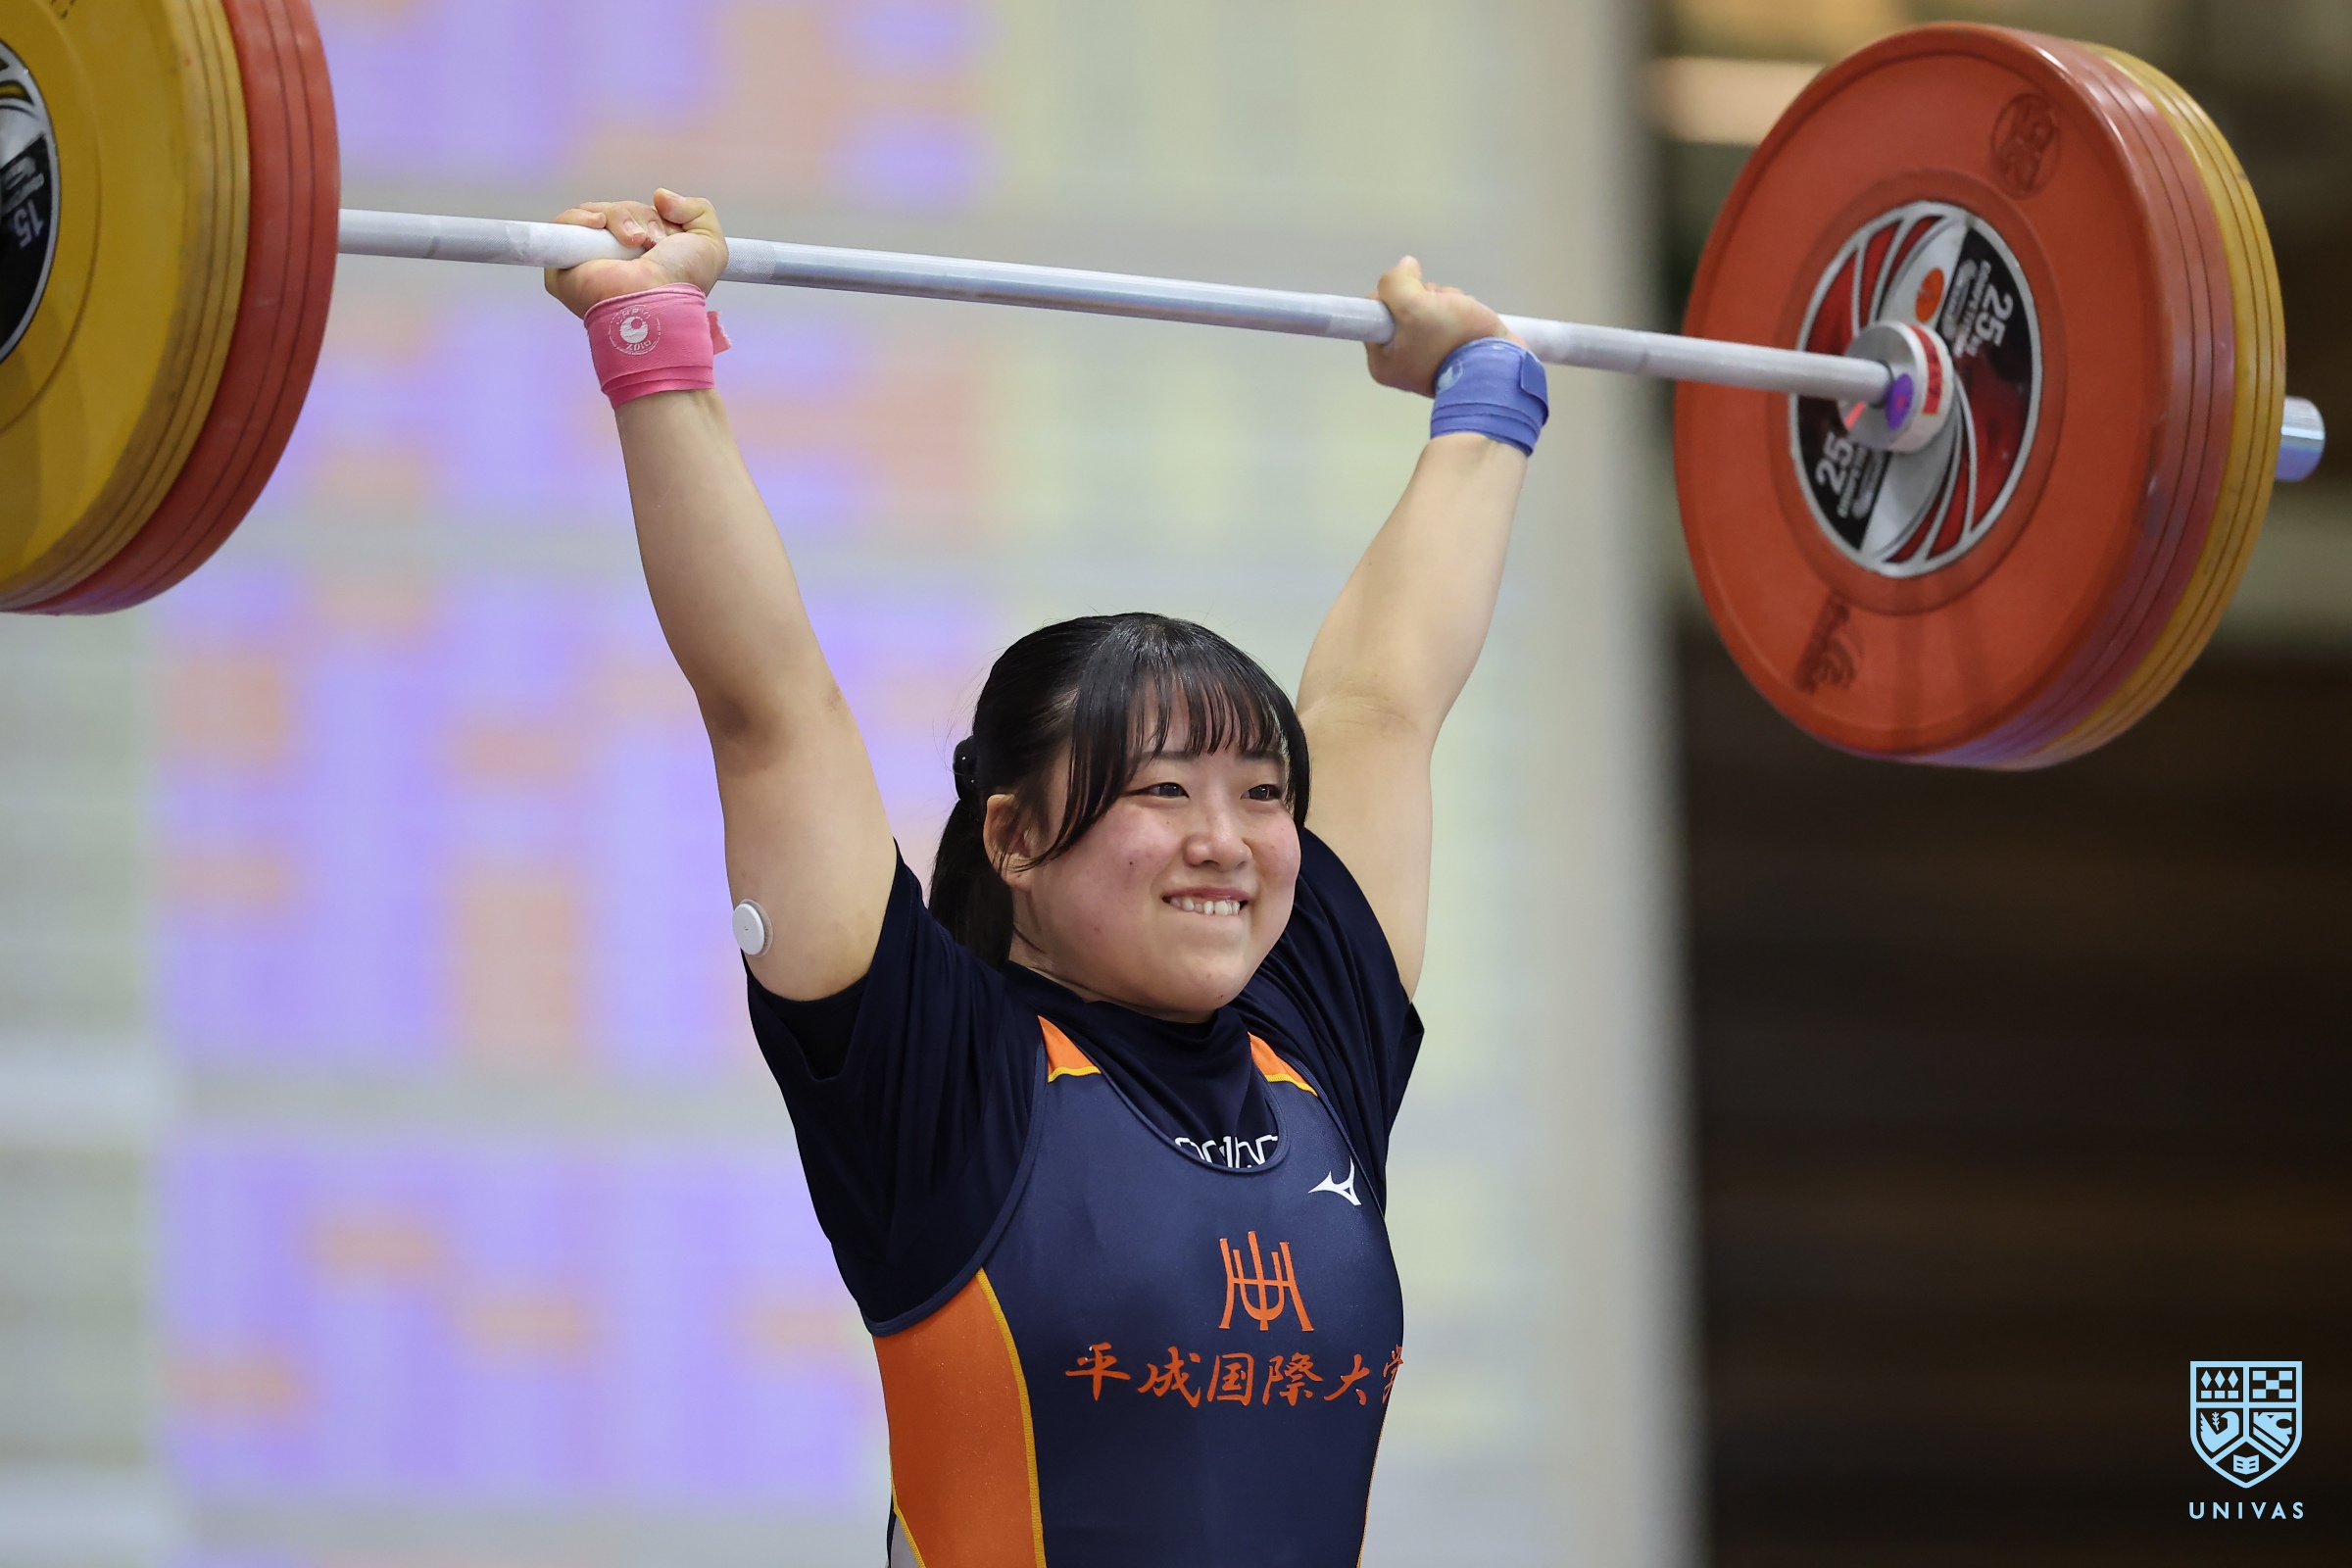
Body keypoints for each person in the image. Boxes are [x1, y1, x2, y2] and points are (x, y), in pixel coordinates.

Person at [547, 187, 1544, 1567]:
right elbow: (769, 707)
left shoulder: (1314, 1035)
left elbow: (1382, 701)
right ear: (1015, 839)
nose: (1227, 840)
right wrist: (650, 334)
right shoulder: (939, 1079)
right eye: (1164, 792)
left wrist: (1486, 388)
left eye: (1262, 794)